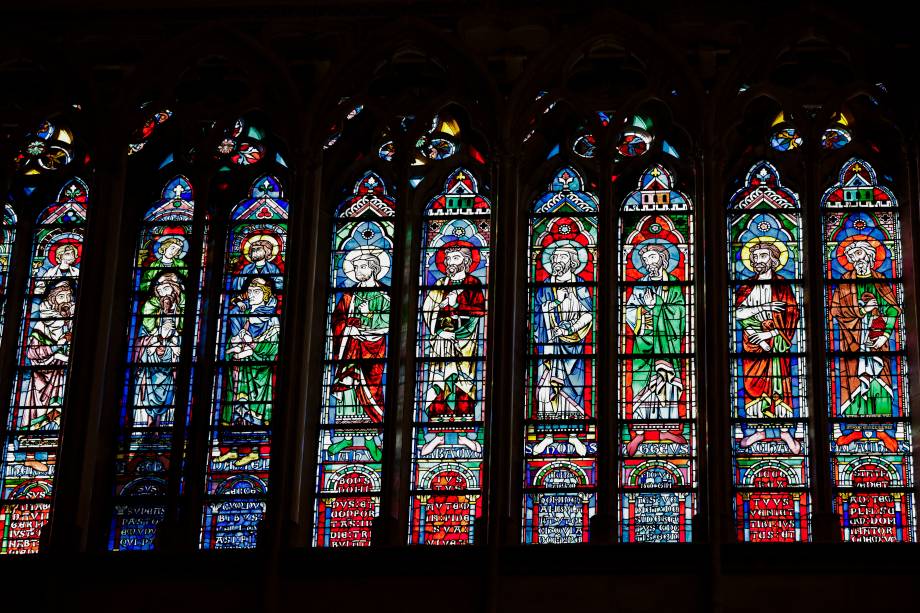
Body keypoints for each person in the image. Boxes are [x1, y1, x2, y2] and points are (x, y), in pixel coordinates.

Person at [830, 239, 901, 452]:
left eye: (859, 255)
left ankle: (882, 431)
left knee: (879, 383)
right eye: (852, 257)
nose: (855, 260)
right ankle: (853, 430)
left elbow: (893, 309)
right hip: (852, 342)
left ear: (869, 256)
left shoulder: (880, 280)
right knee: (854, 384)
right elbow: (836, 312)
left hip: (877, 343)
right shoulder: (844, 282)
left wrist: (884, 335)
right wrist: (862, 312)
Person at [419, 243, 486, 456]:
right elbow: (428, 310)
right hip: (441, 343)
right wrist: (439, 330)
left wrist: (457, 308)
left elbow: (478, 313)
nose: (449, 263)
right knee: (439, 383)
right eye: (448, 259)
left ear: (466, 261)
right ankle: (437, 435)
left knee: (462, 385)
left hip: (464, 345)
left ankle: (464, 434)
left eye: (455, 259)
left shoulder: (474, 284)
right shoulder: (440, 284)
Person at [734, 241, 801, 454]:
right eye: (754, 257)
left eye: (762, 256)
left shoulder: (782, 285)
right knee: (753, 386)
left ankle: (784, 432)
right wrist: (763, 309)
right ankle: (758, 431)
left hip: (776, 344)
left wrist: (771, 334)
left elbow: (792, 315)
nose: (756, 261)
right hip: (752, 345)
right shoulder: (746, 286)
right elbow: (737, 314)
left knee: (779, 386)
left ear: (773, 259)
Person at [623, 243, 688, 456]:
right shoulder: (640, 285)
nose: (648, 264)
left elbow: (679, 313)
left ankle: (667, 430)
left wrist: (657, 304)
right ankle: (640, 432)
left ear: (662, 259)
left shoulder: (675, 284)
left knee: (667, 386)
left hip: (668, 345)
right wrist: (646, 310)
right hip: (644, 346)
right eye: (645, 260)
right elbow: (630, 312)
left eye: (652, 258)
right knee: (642, 386)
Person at [327, 249, 390, 460]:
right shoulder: (349, 295)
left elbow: (391, 323)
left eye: (361, 267)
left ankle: (371, 438)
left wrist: (369, 321)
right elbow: (336, 320)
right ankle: (346, 436)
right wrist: (348, 329)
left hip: (373, 350)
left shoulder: (386, 294)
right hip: (350, 347)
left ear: (373, 269)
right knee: (348, 389)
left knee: (370, 389)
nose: (356, 271)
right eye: (355, 268)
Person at [532, 243, 594, 456]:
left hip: (573, 346)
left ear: (573, 262)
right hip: (548, 345)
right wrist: (554, 306)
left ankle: (574, 436)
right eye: (554, 258)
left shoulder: (581, 285)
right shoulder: (545, 285)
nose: (556, 262)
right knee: (546, 389)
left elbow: (588, 314)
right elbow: (536, 316)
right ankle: (547, 435)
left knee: (572, 389)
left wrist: (569, 328)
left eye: (561, 258)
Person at [216, 277, 280, 467]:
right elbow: (230, 340)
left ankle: (254, 451)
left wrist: (253, 350)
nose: (252, 295)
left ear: (266, 295)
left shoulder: (271, 319)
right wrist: (233, 347)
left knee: (253, 410)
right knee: (236, 409)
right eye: (250, 291)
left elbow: (274, 346)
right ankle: (233, 450)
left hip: (258, 372)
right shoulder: (241, 315)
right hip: (239, 368)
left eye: (257, 292)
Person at [20, 280, 75, 432]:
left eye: (69, 296)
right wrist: (57, 347)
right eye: (61, 296)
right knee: (41, 418)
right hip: (42, 377)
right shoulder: (41, 325)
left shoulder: (71, 323)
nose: (66, 300)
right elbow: (32, 352)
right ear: (52, 298)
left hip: (63, 377)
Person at [133, 272, 185, 428]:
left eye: (168, 289)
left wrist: (172, 338)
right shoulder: (151, 306)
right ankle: (144, 426)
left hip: (170, 360)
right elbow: (147, 328)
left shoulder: (180, 308)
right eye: (162, 289)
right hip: (152, 359)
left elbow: (181, 329)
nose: (165, 293)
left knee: (170, 392)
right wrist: (157, 337)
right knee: (145, 391)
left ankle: (162, 426)